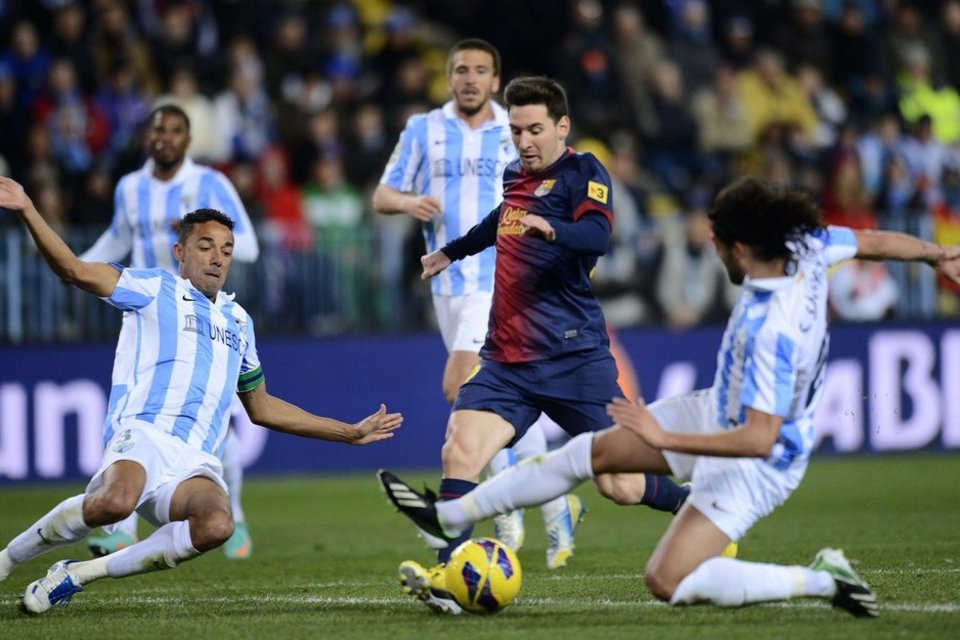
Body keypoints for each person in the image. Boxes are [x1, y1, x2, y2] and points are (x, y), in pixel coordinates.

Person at [380, 175, 960, 617]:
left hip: (760, 458)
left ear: (739, 248)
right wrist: (937, 254)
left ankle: (823, 579)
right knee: (590, 455)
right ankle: (451, 514)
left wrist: (665, 438)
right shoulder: (806, 245)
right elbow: (873, 241)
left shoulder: (769, 331)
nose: (711, 248)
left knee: (668, 581)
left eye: (716, 243)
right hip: (716, 408)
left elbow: (758, 438)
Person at [0, 177, 402, 614]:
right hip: (144, 434)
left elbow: (262, 406)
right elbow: (73, 270)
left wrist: (347, 433)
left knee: (216, 525)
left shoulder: (239, 321)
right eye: (206, 246)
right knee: (113, 505)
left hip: (195, 461)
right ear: (180, 251)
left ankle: (77, 574)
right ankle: (7, 560)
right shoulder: (152, 289)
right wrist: (27, 209)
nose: (217, 258)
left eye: (226, 250)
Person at [377, 76, 690, 615]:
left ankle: (696, 507)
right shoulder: (514, 176)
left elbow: (598, 236)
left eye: (535, 130)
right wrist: (452, 252)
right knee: (460, 450)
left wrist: (554, 230)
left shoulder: (584, 172)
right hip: (506, 361)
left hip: (573, 359)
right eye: (517, 130)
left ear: (562, 126)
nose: (524, 141)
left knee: (620, 483)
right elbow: (502, 220)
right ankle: (450, 576)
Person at [372, 39, 585, 568]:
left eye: (481, 70)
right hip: (448, 283)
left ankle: (498, 507)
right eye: (461, 70)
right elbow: (382, 195)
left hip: (503, 279)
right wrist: (409, 202)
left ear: (495, 80)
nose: (470, 78)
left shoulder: (514, 131)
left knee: (460, 386)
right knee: (509, 401)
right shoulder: (423, 129)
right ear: (449, 79)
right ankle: (556, 504)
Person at [80, 103, 259, 560]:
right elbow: (119, 238)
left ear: (187, 139)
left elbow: (250, 247)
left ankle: (234, 514)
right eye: (159, 130)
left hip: (199, 316)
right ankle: (119, 527)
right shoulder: (129, 187)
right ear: (148, 137)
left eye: (175, 130)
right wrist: (77, 267)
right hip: (146, 311)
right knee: (132, 410)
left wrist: (200, 246)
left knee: (213, 423)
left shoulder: (210, 184)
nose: (165, 138)